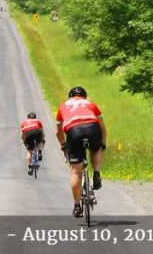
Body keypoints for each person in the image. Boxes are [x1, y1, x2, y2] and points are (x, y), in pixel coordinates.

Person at [55, 86, 106, 218]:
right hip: (93, 127)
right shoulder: (91, 103)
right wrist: (102, 145)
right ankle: (96, 173)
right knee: (96, 149)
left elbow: (58, 132)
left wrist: (63, 145)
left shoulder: (63, 106)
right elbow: (103, 128)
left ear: (70, 96)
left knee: (76, 172)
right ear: (84, 96)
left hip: (74, 130)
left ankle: (77, 206)